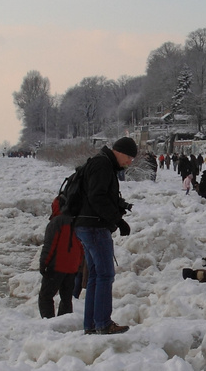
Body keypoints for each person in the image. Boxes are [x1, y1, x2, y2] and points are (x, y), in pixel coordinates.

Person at [71, 137, 137, 334]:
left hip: (85, 224)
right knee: (105, 274)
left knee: (95, 275)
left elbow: (97, 195)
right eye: (129, 157)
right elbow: (97, 197)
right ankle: (102, 323)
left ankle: (91, 325)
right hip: (94, 226)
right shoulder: (103, 165)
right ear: (118, 151)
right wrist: (117, 219)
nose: (130, 162)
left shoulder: (100, 162)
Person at [37, 197, 84, 318]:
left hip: (56, 266)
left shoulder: (56, 222)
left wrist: (43, 264)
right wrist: (79, 264)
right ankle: (64, 322)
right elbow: (81, 246)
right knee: (66, 299)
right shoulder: (77, 221)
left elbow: (49, 246)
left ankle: (48, 322)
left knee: (45, 296)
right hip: (72, 267)